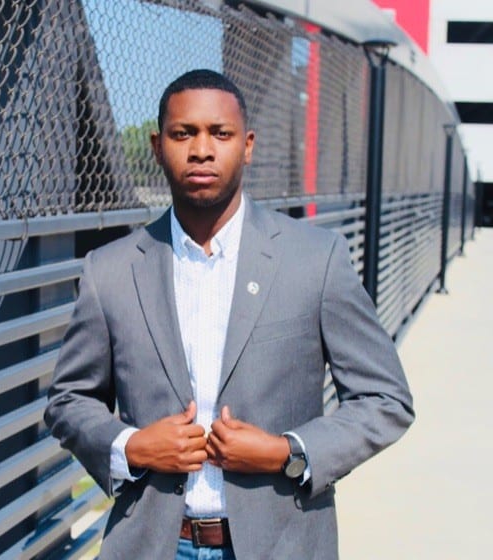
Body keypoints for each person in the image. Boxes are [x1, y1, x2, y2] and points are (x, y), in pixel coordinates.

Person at [45, 69, 414, 560]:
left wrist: (286, 452)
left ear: (247, 145)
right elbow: (68, 400)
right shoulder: (109, 270)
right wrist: (130, 447)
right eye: (183, 134)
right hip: (154, 546)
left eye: (220, 133)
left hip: (281, 545)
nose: (202, 150)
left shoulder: (315, 258)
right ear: (157, 147)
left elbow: (385, 399)